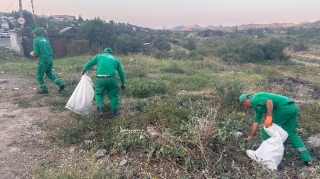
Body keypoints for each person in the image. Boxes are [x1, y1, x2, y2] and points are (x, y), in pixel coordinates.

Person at [239, 92, 312, 167]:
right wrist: (251, 136)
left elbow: (269, 101)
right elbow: (256, 122)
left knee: (266, 129)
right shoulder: (257, 108)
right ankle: (306, 159)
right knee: (292, 134)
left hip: (284, 108)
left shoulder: (254, 99)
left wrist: (269, 117)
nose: (244, 106)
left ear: (245, 101)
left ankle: (266, 155)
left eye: (242, 104)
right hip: (292, 106)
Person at [81, 48, 125, 116]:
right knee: (113, 95)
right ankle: (114, 111)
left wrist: (83, 70)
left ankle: (100, 109)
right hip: (111, 79)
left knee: (98, 93)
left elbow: (89, 63)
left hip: (100, 79)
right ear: (111, 53)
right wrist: (123, 83)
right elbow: (121, 73)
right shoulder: (115, 59)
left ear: (104, 52)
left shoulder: (99, 56)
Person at [30, 27, 65, 94]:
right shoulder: (45, 39)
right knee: (49, 74)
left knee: (39, 75)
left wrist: (32, 53)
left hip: (43, 60)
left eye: (33, 33)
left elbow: (36, 53)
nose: (33, 35)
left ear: (35, 34)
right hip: (50, 58)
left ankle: (44, 89)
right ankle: (61, 84)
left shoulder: (36, 40)